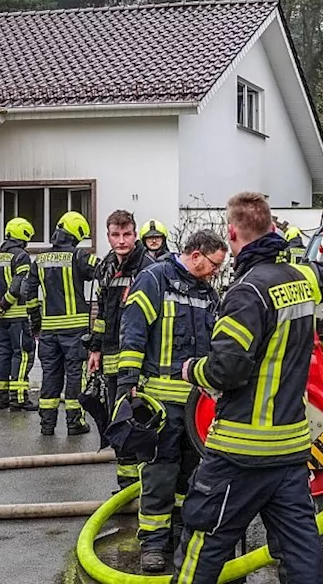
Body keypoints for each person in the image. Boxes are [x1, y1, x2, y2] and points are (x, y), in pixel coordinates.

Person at [173, 192, 323, 584]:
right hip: (291, 449)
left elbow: (228, 369)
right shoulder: (298, 282)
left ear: (231, 233)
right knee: (300, 552)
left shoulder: (247, 292)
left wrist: (193, 371)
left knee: (202, 543)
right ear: (272, 228)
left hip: (242, 450)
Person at [119, 229, 226, 572]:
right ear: (196, 255)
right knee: (159, 475)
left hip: (197, 407)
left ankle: (180, 535)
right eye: (213, 265)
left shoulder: (207, 293)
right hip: (161, 402)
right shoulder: (153, 280)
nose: (215, 272)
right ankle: (152, 543)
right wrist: (127, 386)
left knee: (192, 477)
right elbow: (133, 332)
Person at [87, 209, 156, 490]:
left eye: (126, 234)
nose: (121, 240)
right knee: (117, 418)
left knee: (137, 418)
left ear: (135, 235)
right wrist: (95, 350)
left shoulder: (147, 267)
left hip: (139, 358)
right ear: (108, 236)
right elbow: (102, 314)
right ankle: (127, 484)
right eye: (116, 235)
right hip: (112, 356)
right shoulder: (106, 267)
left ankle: (144, 484)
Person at [36, 211, 99, 436]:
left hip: (48, 331)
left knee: (50, 376)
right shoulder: (79, 256)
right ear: (76, 234)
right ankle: (74, 423)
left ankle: (47, 425)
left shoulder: (40, 259)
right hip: (75, 332)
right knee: (75, 376)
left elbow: (29, 293)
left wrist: (36, 324)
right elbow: (102, 270)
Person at [0, 217, 41, 411]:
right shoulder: (21, 256)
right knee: (22, 356)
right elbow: (19, 287)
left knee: (3, 355)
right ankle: (19, 398)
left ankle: (0, 398)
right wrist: (4, 304)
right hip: (18, 316)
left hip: (1, 319)